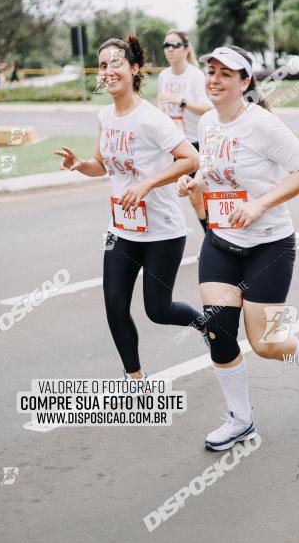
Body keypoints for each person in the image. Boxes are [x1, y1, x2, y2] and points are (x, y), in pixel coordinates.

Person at [177, 45, 299, 451]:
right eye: (210, 71)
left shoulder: (262, 124)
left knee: (264, 343)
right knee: (218, 331)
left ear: (244, 82)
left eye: (225, 74)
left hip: (269, 245)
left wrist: (262, 203)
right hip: (222, 241)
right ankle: (241, 419)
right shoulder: (208, 122)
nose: (213, 80)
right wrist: (197, 182)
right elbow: (214, 170)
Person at [55, 34, 203, 379]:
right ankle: (134, 377)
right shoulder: (105, 116)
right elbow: (101, 164)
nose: (108, 71)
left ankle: (204, 324)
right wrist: (80, 165)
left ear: (135, 68)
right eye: (103, 65)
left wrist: (148, 183)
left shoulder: (151, 119)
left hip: (162, 230)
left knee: (159, 309)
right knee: (114, 304)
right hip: (122, 228)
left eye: (116, 63)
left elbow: (190, 157)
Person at [157, 30, 212, 232]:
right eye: (166, 45)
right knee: (180, 196)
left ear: (186, 48)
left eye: (175, 45)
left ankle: (212, 238)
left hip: (196, 142)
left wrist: (180, 101)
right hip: (173, 144)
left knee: (199, 195)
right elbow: (162, 106)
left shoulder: (196, 76)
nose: (170, 49)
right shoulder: (164, 75)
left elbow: (208, 108)